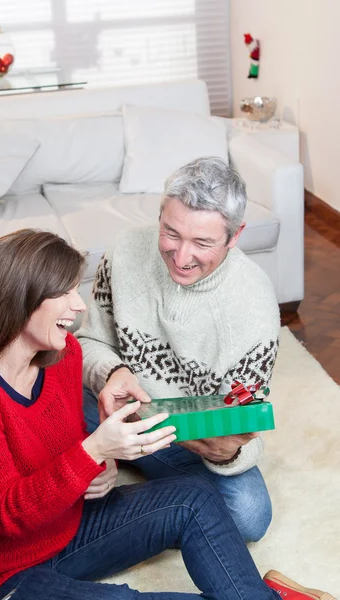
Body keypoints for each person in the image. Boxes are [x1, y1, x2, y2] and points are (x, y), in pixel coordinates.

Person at [0, 229, 333, 600]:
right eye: (63, 292)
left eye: (76, 289)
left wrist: (103, 465)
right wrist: (92, 451)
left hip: (68, 529)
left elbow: (68, 447)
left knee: (194, 496)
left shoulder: (64, 356)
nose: (78, 305)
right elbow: (3, 514)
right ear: (18, 296)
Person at [77, 156, 281, 543]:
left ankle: (146, 491)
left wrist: (227, 455)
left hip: (184, 440)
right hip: (114, 409)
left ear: (235, 236)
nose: (182, 256)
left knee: (251, 516)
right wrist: (112, 372)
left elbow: (243, 419)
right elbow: (88, 342)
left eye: (202, 243)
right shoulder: (123, 252)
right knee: (46, 383)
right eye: (171, 233)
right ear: (159, 216)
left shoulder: (254, 307)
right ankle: (155, 483)